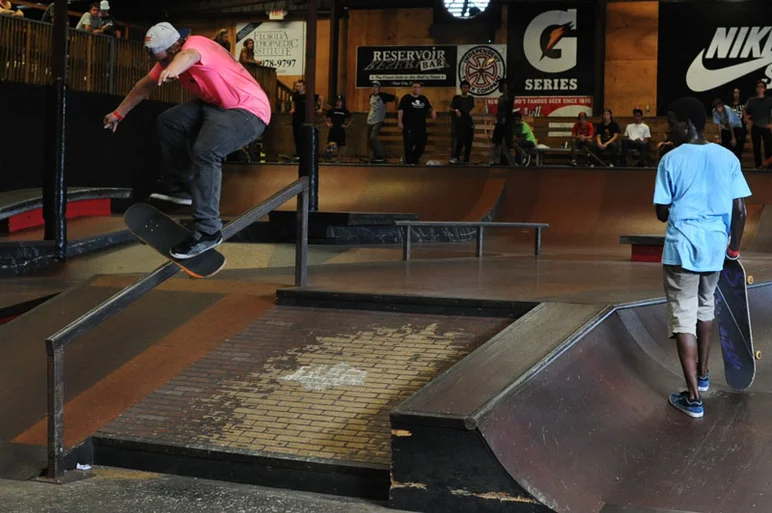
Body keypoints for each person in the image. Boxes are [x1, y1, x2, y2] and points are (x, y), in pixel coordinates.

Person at [103, 22, 271, 259]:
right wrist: (119, 113)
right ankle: (182, 188)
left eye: (163, 60)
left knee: (206, 151)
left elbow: (190, 55)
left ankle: (208, 231)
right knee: (170, 121)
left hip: (248, 110)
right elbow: (143, 86)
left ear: (174, 48)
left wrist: (173, 69)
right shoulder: (168, 58)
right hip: (214, 106)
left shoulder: (196, 44)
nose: (161, 66)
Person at [653, 96, 751, 419]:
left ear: (687, 124)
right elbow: (740, 210)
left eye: (671, 123)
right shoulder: (727, 158)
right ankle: (705, 374)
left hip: (682, 247)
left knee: (683, 315)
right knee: (706, 306)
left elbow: (661, 212)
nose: (668, 128)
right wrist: (733, 248)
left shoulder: (670, 159)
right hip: (714, 250)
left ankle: (693, 397)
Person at [397, 82, 436, 165]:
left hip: (421, 127)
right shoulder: (406, 98)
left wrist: (433, 111)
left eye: (418, 87)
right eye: (414, 87)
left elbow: (429, 107)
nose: (416, 89)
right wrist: (400, 122)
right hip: (408, 126)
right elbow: (400, 110)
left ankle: (414, 159)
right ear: (412, 88)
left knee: (422, 143)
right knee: (408, 145)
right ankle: (408, 162)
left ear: (420, 89)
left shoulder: (423, 98)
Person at [744, 80, 772, 168]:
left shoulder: (769, 100)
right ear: (756, 89)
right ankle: (758, 165)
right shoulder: (752, 100)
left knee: (768, 146)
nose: (759, 88)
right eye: (758, 87)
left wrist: (771, 124)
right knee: (756, 147)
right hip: (755, 126)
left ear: (764, 89)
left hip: (766, 126)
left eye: (761, 87)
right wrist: (747, 119)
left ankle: (769, 166)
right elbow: (744, 109)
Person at [366, 81, 395, 163]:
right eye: (373, 87)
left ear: (378, 88)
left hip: (378, 120)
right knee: (369, 139)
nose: (374, 89)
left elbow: (395, 98)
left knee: (373, 136)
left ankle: (381, 154)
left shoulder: (383, 96)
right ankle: (374, 156)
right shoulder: (371, 96)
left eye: (376, 87)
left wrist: (396, 109)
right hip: (370, 119)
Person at [449, 80, 475, 164]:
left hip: (469, 122)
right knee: (460, 141)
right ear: (461, 88)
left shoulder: (471, 98)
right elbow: (451, 108)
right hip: (460, 122)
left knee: (469, 142)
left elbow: (472, 107)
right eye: (464, 87)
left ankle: (466, 159)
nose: (466, 89)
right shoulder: (456, 98)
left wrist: (472, 110)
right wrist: (456, 110)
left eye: (467, 88)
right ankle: (456, 157)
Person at [324, 95, 352, 160]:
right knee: (331, 143)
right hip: (333, 127)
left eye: (340, 102)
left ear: (342, 103)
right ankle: (329, 157)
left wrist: (347, 125)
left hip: (340, 128)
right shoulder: (332, 110)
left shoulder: (344, 110)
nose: (339, 103)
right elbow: (325, 116)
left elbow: (351, 118)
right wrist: (327, 122)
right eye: (337, 101)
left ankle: (338, 159)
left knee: (340, 144)